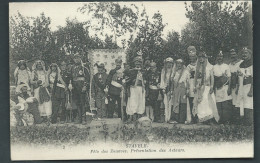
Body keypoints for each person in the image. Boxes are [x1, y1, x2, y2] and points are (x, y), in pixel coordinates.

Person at [193, 51, 219, 124]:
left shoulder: (210, 67)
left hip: (207, 87)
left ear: (205, 58)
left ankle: (209, 120)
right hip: (199, 88)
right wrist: (195, 86)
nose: (201, 59)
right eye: (199, 57)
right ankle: (201, 119)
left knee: (207, 103)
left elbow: (212, 78)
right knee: (200, 103)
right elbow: (196, 78)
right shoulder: (197, 67)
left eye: (202, 57)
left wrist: (211, 87)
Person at [70, 54, 91, 124]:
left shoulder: (84, 67)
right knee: (77, 103)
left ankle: (83, 118)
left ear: (80, 58)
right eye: (75, 58)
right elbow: (71, 78)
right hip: (75, 88)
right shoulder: (72, 67)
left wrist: (85, 86)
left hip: (81, 87)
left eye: (78, 58)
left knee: (82, 103)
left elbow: (87, 78)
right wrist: (70, 84)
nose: (76, 59)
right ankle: (79, 118)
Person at [213, 51, 232, 124]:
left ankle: (226, 120)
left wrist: (229, 88)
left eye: (221, 57)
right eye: (218, 56)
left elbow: (229, 78)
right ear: (216, 58)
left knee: (225, 104)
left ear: (223, 58)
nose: (219, 58)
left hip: (225, 87)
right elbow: (214, 79)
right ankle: (220, 120)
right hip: (217, 87)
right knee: (218, 103)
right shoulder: (214, 67)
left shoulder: (226, 66)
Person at [170, 59, 191, 124]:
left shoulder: (186, 72)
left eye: (180, 64)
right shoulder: (174, 72)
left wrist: (187, 90)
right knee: (176, 103)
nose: (179, 65)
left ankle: (182, 119)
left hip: (183, 89)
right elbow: (172, 82)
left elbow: (188, 81)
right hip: (176, 89)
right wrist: (172, 90)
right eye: (177, 64)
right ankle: (175, 119)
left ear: (182, 65)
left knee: (183, 103)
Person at [31, 60, 52, 125]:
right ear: (36, 66)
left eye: (40, 65)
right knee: (38, 101)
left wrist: (44, 85)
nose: (39, 66)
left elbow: (47, 82)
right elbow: (31, 81)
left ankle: (47, 116)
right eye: (38, 65)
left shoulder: (45, 72)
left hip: (44, 88)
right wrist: (37, 82)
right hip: (37, 89)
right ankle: (40, 117)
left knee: (47, 102)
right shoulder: (34, 72)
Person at [126, 56, 146, 122]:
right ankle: (131, 117)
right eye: (136, 62)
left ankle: (139, 117)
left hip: (141, 88)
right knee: (132, 102)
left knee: (140, 102)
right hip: (133, 89)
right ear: (134, 63)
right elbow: (127, 81)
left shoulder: (144, 71)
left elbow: (146, 81)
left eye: (139, 62)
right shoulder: (131, 71)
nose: (138, 64)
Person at [237, 47, 253, 125]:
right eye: (243, 53)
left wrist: (251, 90)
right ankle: (244, 121)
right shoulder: (241, 64)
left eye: (246, 53)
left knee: (249, 104)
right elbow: (241, 75)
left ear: (250, 54)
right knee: (242, 103)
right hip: (242, 86)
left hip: (249, 86)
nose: (244, 54)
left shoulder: (253, 63)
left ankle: (249, 122)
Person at [228, 49, 243, 124]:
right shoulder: (230, 65)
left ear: (237, 54)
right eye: (231, 54)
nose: (232, 56)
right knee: (233, 101)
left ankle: (240, 119)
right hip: (232, 85)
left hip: (239, 84)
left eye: (234, 54)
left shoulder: (241, 63)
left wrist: (238, 86)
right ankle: (235, 120)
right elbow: (229, 76)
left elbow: (240, 76)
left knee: (239, 101)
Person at [160, 57, 175, 123]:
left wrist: (172, 89)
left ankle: (170, 117)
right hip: (165, 88)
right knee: (165, 103)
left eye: (170, 63)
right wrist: (163, 88)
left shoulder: (174, 71)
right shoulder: (163, 71)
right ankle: (166, 118)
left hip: (173, 88)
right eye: (167, 63)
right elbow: (162, 80)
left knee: (171, 103)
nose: (169, 65)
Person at [186, 46, 197, 123]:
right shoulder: (188, 66)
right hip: (191, 83)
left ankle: (198, 117)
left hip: (197, 83)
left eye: (193, 57)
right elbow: (187, 77)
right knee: (191, 100)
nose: (192, 58)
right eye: (190, 57)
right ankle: (193, 118)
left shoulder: (199, 65)